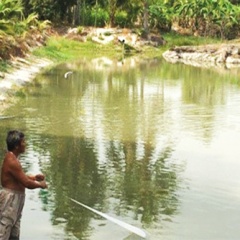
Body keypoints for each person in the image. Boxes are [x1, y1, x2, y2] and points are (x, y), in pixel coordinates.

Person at [0, 130, 48, 240]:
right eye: (23, 142)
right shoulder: (11, 160)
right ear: (17, 145)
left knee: (14, 235)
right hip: (10, 200)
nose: (25, 144)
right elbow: (26, 183)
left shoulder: (14, 158)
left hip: (16, 200)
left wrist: (34, 177)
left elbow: (19, 177)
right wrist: (41, 185)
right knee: (3, 232)